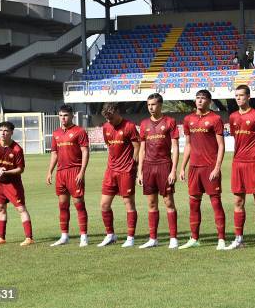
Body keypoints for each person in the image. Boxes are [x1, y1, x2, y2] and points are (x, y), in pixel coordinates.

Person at [178, 90, 227, 250]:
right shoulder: (188, 119)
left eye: (203, 98)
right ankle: (194, 238)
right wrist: (182, 168)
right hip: (194, 168)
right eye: (197, 98)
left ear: (209, 101)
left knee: (215, 203)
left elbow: (221, 145)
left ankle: (221, 240)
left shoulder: (215, 119)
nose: (199, 101)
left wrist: (217, 167)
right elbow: (188, 145)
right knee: (193, 204)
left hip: (210, 168)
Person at [225, 85, 255, 251]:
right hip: (238, 163)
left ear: (248, 97)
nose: (238, 98)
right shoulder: (233, 117)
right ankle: (238, 239)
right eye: (236, 96)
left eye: (241, 95)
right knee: (238, 201)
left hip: (253, 164)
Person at [137, 93, 179, 249]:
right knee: (152, 203)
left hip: (164, 165)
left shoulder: (170, 122)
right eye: (148, 105)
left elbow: (175, 148)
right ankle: (153, 238)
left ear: (160, 105)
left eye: (153, 104)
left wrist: (173, 170)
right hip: (148, 167)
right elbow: (142, 149)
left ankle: (173, 238)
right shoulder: (143, 124)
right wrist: (140, 171)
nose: (150, 107)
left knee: (168, 202)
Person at [97, 102, 140, 247]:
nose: (109, 121)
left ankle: (130, 238)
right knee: (104, 204)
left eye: (111, 118)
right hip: (111, 170)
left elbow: (137, 147)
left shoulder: (129, 126)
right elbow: (109, 146)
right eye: (107, 119)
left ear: (117, 112)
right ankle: (110, 235)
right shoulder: (106, 127)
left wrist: (134, 167)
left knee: (129, 204)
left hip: (126, 171)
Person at [47, 105, 90, 247]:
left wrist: (82, 171)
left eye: (65, 115)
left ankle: (84, 236)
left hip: (74, 171)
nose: (63, 118)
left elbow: (85, 151)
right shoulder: (56, 133)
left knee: (79, 204)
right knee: (63, 206)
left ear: (72, 116)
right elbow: (54, 153)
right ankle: (64, 236)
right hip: (61, 173)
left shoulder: (79, 131)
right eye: (60, 115)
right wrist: (50, 172)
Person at [0, 121, 34, 246]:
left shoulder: (17, 149)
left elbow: (20, 169)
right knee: (1, 208)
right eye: (1, 130)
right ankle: (1, 237)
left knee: (21, 208)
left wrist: (6, 172)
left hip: (13, 183)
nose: (3, 132)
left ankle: (29, 238)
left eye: (6, 130)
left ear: (12, 132)